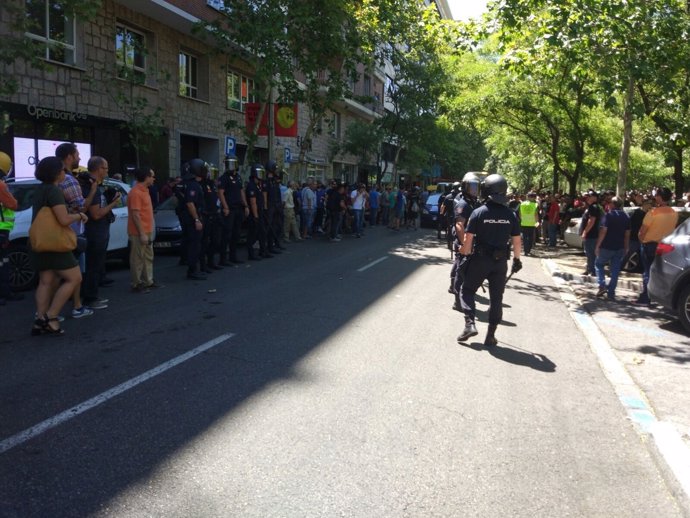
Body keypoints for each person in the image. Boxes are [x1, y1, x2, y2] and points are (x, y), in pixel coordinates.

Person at [458, 174, 522, 346]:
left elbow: (468, 240)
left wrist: (462, 251)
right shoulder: (511, 214)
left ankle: (470, 324)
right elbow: (517, 241)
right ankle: (491, 336)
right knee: (496, 299)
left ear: (485, 190)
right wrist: (517, 260)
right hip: (500, 263)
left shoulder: (478, 212)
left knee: (467, 290)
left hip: (480, 259)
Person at [31, 157, 89, 336]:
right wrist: (79, 216)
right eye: (63, 170)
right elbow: (63, 220)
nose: (65, 172)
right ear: (56, 173)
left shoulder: (39, 190)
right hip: (55, 242)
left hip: (39, 241)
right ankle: (51, 316)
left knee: (45, 281)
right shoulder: (54, 191)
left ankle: (40, 319)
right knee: (75, 277)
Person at [56, 142, 97, 318]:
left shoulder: (50, 182)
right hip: (71, 233)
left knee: (53, 276)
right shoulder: (69, 180)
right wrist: (93, 189)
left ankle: (47, 312)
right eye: (77, 154)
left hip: (56, 233)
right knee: (75, 274)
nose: (80, 158)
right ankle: (75, 307)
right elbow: (82, 208)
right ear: (69, 157)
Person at [81, 156, 120, 309]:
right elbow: (96, 214)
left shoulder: (97, 186)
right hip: (95, 232)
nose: (107, 171)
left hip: (99, 231)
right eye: (105, 168)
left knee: (96, 265)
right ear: (98, 169)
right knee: (93, 266)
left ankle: (92, 295)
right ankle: (90, 298)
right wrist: (113, 204)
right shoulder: (91, 187)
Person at [637, 187, 678, 304]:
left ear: (660, 197)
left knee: (647, 271)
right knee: (661, 273)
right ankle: (659, 298)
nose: (655, 197)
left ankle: (646, 297)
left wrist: (642, 241)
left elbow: (642, 231)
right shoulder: (674, 213)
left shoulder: (653, 213)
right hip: (665, 247)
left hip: (649, 245)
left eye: (657, 195)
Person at [450, 172, 481, 309]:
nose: (474, 190)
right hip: (464, 243)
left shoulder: (475, 203)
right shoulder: (463, 203)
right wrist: (464, 244)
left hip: (472, 242)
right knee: (461, 271)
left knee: (468, 271)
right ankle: (457, 300)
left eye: (476, 187)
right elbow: (459, 225)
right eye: (471, 187)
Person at [594, 196, 630, 301]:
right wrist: (626, 247)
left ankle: (602, 285)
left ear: (613, 204)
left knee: (598, 264)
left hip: (607, 246)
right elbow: (627, 234)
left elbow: (603, 231)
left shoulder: (608, 215)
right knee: (615, 270)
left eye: (610, 203)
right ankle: (611, 293)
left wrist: (597, 245)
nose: (608, 204)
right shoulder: (626, 217)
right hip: (619, 247)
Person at [128, 167, 157, 292]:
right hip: (139, 232)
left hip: (147, 230)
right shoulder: (136, 192)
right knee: (138, 258)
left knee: (148, 256)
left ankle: (148, 281)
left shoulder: (145, 190)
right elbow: (135, 214)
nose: (154, 178)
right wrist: (142, 233)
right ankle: (137, 283)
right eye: (152, 176)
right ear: (146, 177)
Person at [0, 151, 22, 306]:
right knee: (3, 263)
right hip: (1, 231)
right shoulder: (1, 185)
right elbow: (13, 204)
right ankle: (4, 293)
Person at [217, 154, 248, 264]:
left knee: (236, 233)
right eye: (229, 164)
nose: (231, 166)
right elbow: (220, 193)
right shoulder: (223, 178)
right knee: (227, 234)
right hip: (229, 209)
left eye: (232, 164)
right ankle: (223, 259)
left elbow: (241, 191)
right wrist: (225, 207)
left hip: (238, 208)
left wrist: (246, 205)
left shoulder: (238, 177)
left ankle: (233, 256)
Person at [179, 159, 207, 280]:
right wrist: (196, 219)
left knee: (193, 244)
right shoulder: (193, 185)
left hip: (188, 218)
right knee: (194, 245)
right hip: (192, 219)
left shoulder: (187, 183)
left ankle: (193, 268)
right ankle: (192, 270)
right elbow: (190, 203)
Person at [245, 164, 272, 260]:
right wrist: (256, 216)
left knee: (262, 232)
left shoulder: (258, 185)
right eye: (259, 173)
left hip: (259, 212)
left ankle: (262, 251)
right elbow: (253, 202)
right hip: (254, 214)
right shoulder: (251, 185)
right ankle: (251, 254)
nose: (261, 175)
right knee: (252, 234)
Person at [199, 166, 223, 272]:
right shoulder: (202, 185)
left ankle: (211, 261)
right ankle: (203, 265)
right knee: (204, 242)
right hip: (207, 215)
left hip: (215, 214)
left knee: (216, 240)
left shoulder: (213, 185)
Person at [580, 190, 602, 276]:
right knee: (588, 253)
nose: (588, 198)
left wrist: (585, 232)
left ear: (595, 198)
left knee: (591, 253)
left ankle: (593, 271)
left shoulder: (594, 207)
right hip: (591, 235)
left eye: (590, 196)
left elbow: (592, 220)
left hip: (592, 235)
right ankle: (589, 269)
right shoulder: (591, 207)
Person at [518, 191, 539, 256]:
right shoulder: (535, 205)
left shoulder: (522, 204)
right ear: (533, 198)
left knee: (524, 237)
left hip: (524, 223)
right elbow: (536, 215)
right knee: (530, 238)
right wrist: (537, 223)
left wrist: (522, 219)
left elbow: (520, 214)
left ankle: (525, 251)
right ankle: (528, 250)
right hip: (532, 224)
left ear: (527, 197)